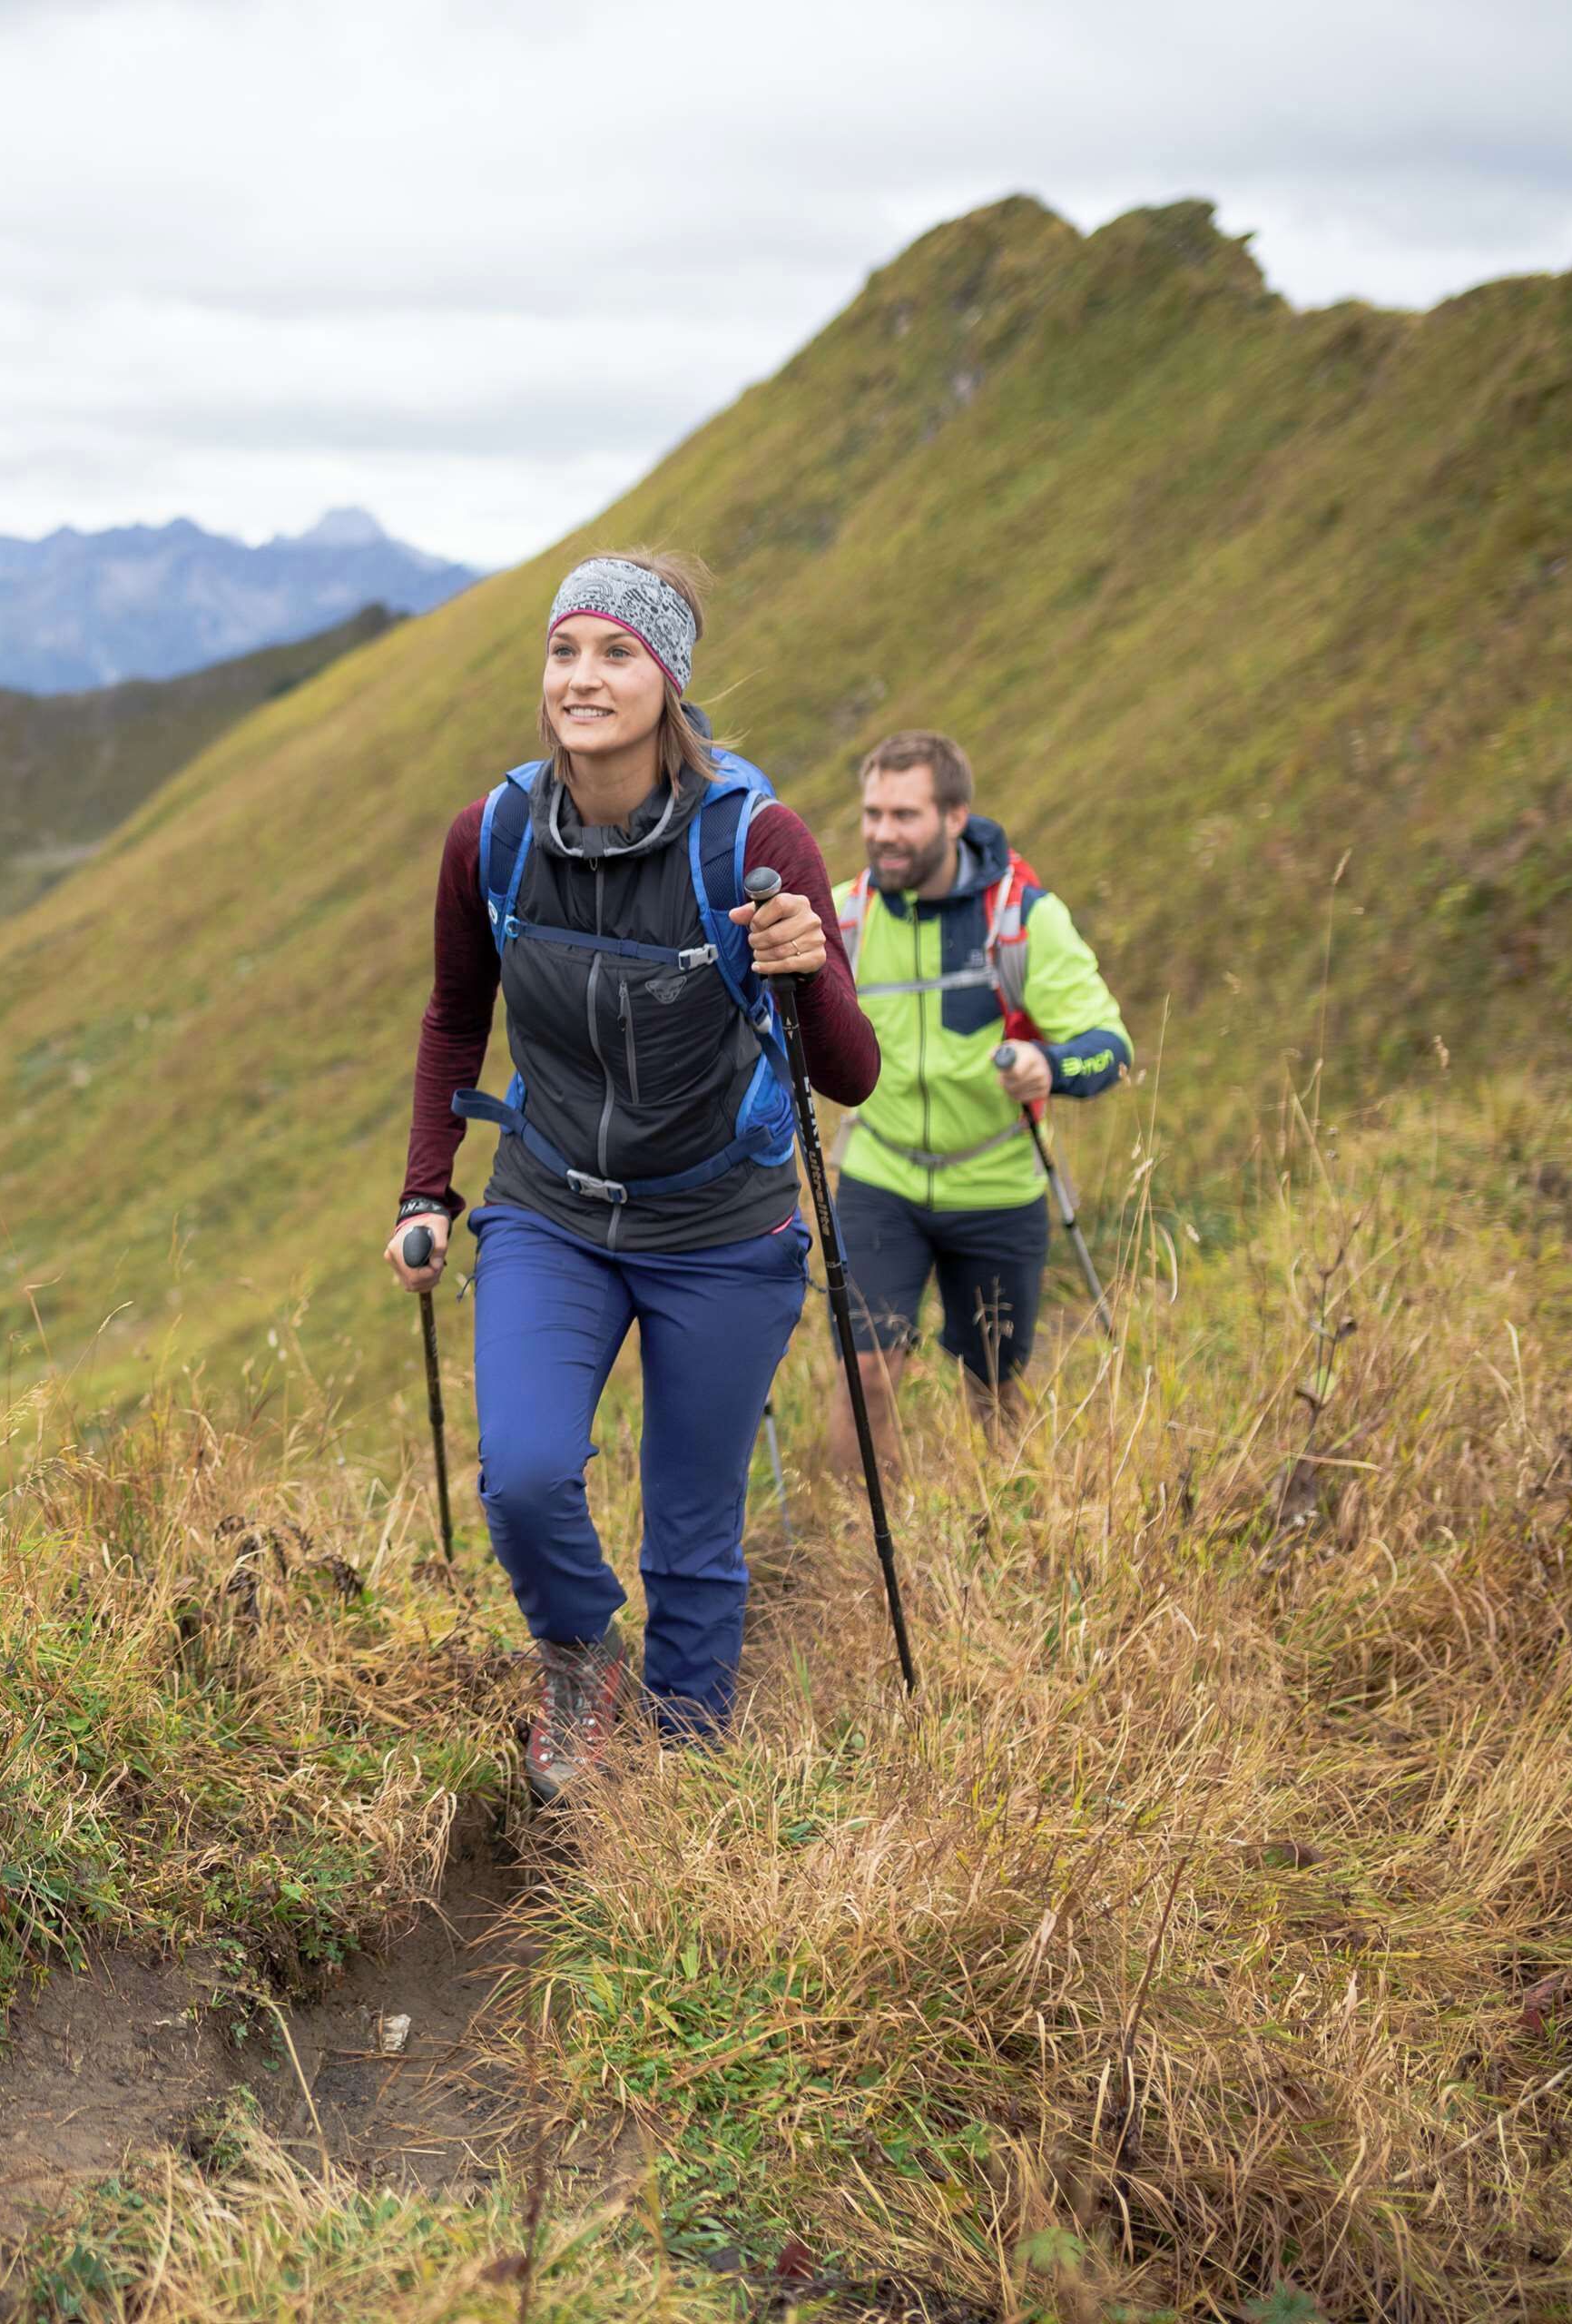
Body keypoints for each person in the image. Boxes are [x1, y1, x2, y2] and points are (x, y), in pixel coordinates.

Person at [384, 551, 877, 1805]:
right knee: (529, 1473)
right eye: (565, 651)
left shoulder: (757, 841)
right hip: (552, 1206)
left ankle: (688, 1785)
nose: (584, 678)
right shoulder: (490, 837)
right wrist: (426, 1191)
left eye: (617, 654)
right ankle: (584, 1661)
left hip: (722, 1224)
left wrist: (809, 966)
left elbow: (851, 1075)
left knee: (692, 1531)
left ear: (670, 681)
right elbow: (455, 1015)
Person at [821, 731, 1132, 1483]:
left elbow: (1110, 1048)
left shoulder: (1023, 919)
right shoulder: (844, 918)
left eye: (905, 814)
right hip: (881, 1177)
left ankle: (1001, 1528)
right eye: (872, 813)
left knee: (994, 1388)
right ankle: (859, 1549)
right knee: (865, 1375)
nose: (882, 833)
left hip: (998, 1184)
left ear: (956, 816)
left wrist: (1048, 1065)